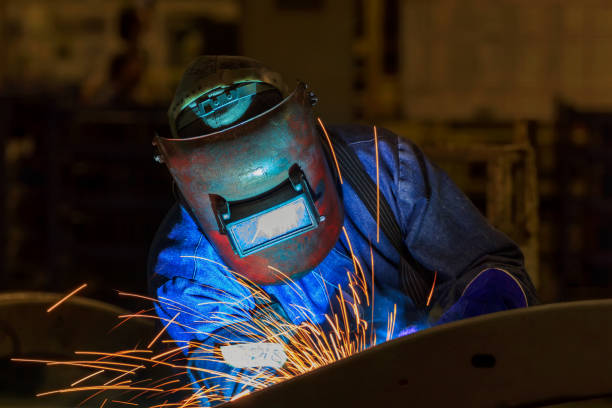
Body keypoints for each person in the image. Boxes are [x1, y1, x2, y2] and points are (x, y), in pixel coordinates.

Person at [148, 55, 538, 406]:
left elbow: (493, 268)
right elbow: (231, 374)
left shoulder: (383, 169)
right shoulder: (186, 262)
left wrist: (443, 344)